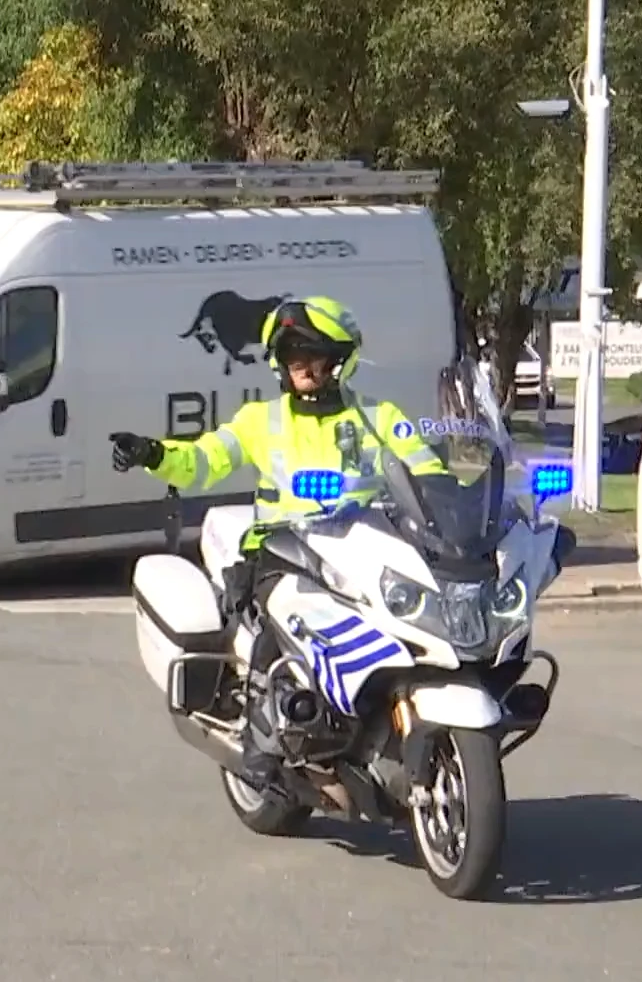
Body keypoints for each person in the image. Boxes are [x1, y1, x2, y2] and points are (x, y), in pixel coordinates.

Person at [107, 295, 445, 794]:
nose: (304, 368)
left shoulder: (379, 416)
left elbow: (428, 474)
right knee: (282, 618)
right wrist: (153, 453)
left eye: (315, 357)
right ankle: (260, 744)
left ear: (340, 360)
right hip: (282, 551)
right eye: (294, 359)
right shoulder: (260, 421)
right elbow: (203, 460)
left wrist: (461, 499)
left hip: (367, 550)